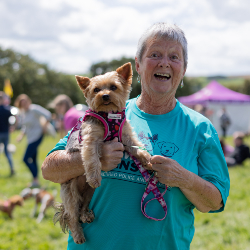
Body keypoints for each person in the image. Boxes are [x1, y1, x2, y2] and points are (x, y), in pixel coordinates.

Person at [41, 23, 230, 250]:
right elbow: (49, 169)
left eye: (174, 56)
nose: (164, 62)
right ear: (138, 65)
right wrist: (96, 157)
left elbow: (215, 201)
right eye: (155, 54)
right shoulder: (103, 115)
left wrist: (183, 178)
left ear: (184, 69)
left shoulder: (201, 128)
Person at [14, 94, 51, 187]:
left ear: (28, 101)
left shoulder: (34, 108)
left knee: (26, 158)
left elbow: (48, 114)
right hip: (30, 138)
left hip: (37, 136)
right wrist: (21, 136)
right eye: (22, 103)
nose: (24, 104)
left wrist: (45, 127)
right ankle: (36, 181)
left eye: (25, 102)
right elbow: (25, 127)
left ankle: (35, 178)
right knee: (33, 159)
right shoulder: (24, 113)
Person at [0, 91, 15, 176]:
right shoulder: (7, 109)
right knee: (7, 152)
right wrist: (13, 126)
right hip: (6, 133)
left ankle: (12, 169)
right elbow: (15, 118)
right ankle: (12, 168)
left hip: (2, 133)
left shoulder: (6, 109)